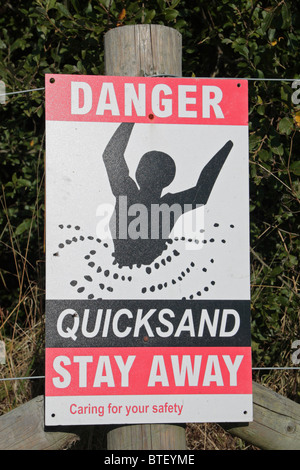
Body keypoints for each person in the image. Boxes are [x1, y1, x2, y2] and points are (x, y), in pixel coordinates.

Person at [102, 122, 233, 267]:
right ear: (168, 179)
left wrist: (131, 118)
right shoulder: (169, 205)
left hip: (127, 261)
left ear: (139, 172)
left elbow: (111, 155)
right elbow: (201, 191)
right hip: (141, 263)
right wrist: (227, 147)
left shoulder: (126, 191)